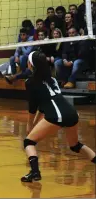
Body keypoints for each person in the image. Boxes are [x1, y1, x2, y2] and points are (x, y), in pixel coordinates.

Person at [21, 51, 96, 183]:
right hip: (71, 112)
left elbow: (33, 106)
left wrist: (29, 125)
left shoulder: (30, 82)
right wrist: (35, 123)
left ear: (31, 65)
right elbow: (43, 106)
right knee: (75, 145)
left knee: (29, 142)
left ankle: (35, 172)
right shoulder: (53, 79)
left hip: (57, 115)